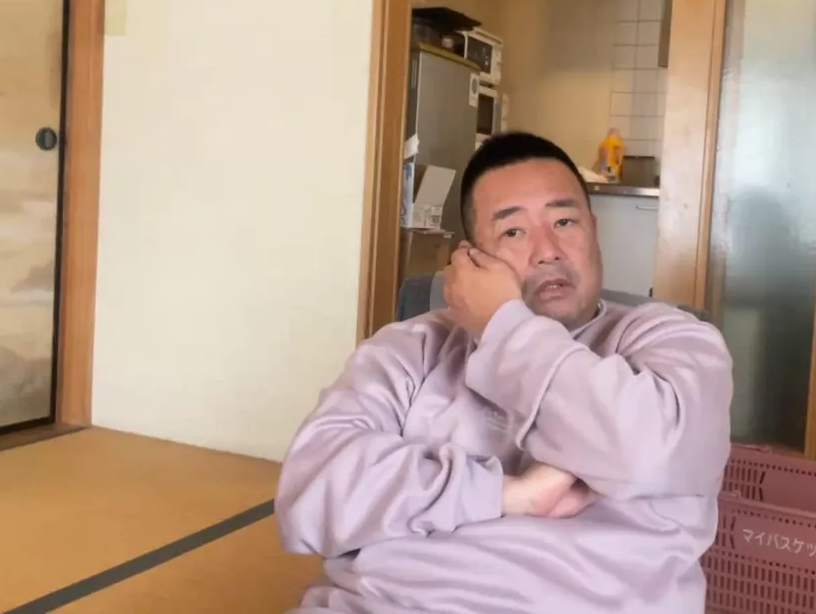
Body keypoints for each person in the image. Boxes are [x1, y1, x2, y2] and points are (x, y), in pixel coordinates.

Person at [275, 132, 734, 613]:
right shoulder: (412, 348)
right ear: (470, 259)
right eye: (513, 232)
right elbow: (310, 493)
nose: (548, 250)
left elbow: (647, 453)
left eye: (564, 221)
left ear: (594, 230)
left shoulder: (672, 341)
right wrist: (505, 492)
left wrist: (503, 326)